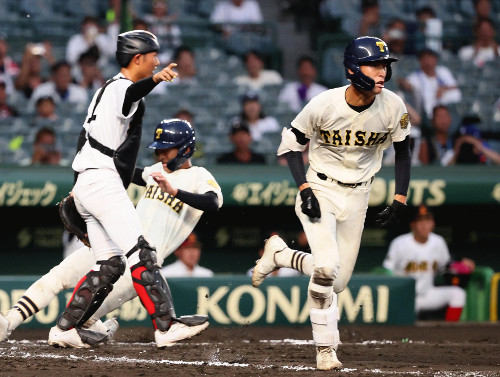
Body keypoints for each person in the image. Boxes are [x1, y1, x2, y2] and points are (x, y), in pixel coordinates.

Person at [251, 36, 412, 370]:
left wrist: (400, 198)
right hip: (321, 188)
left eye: (384, 65)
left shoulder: (394, 105)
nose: (382, 71)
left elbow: (404, 150)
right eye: (375, 64)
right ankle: (325, 350)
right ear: (353, 68)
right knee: (325, 270)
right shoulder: (324, 103)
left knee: (337, 282)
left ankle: (280, 254)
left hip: (360, 194)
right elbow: (291, 146)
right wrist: (305, 189)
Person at [0, 118, 223, 347]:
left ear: (185, 148)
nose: (161, 155)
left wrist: (175, 191)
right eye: (159, 150)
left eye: (167, 149)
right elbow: (129, 172)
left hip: (140, 268)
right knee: (58, 274)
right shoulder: (156, 170)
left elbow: (212, 202)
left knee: (80, 321)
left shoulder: (198, 176)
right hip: (114, 244)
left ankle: (95, 329)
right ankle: (9, 322)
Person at [44, 29, 183, 348]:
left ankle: (65, 328)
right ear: (138, 58)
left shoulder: (104, 92)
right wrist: (156, 79)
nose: (157, 62)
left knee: (111, 263)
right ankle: (166, 326)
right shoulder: (123, 88)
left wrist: (84, 188)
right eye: (153, 57)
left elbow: (86, 143)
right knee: (141, 251)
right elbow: (132, 94)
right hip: (101, 181)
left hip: (93, 178)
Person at [382, 204, 475, 321]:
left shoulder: (438, 242)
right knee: (406, 324)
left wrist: (461, 263)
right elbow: (386, 271)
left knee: (458, 294)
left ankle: (449, 332)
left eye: (428, 220)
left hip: (428, 293)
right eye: (420, 221)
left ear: (433, 224)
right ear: (413, 225)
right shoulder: (400, 243)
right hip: (406, 297)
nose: (424, 225)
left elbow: (446, 265)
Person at [399, 48, 461, 121]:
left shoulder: (442, 71)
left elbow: (455, 86)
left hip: (446, 109)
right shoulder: (415, 76)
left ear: (435, 59)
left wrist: (443, 89)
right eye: (424, 59)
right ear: (420, 61)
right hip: (428, 116)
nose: (428, 62)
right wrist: (403, 83)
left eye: (430, 58)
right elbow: (405, 83)